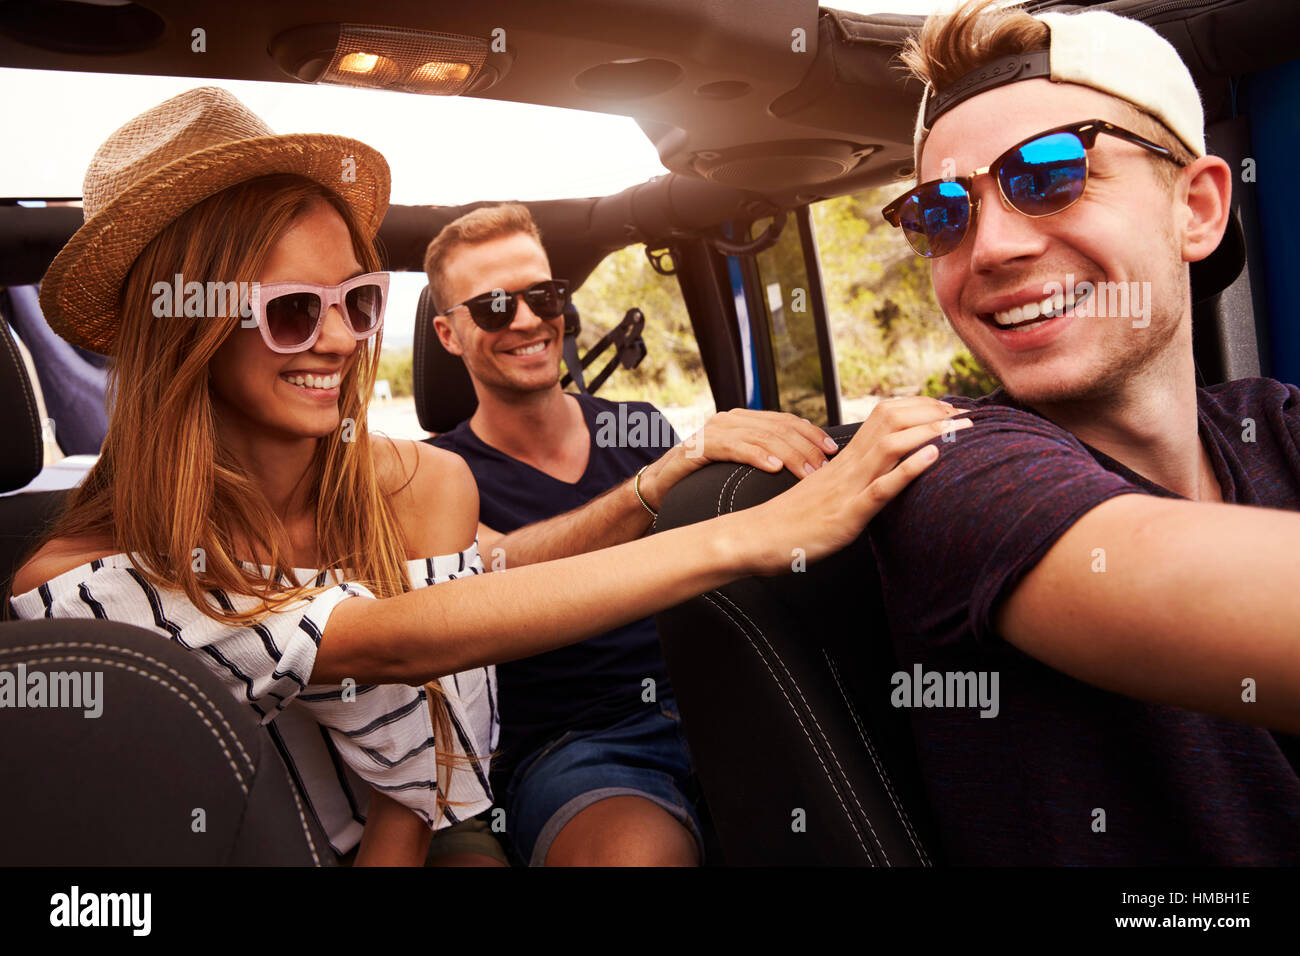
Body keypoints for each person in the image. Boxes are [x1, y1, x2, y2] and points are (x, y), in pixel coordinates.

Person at [6, 87, 968, 866]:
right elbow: (387, 641)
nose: (340, 340)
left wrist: (681, 471)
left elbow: (471, 634)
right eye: (291, 310)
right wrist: (757, 534)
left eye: (356, 299)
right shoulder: (73, 587)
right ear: (187, 329)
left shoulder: (417, 487)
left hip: (434, 823)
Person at [869, 1, 1300, 864]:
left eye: (1051, 173)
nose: (988, 249)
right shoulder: (951, 472)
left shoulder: (1275, 426)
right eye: (941, 214)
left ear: (1199, 208)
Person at [424, 204, 843, 865]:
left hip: (724, 695)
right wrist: (652, 485)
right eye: (496, 306)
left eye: (545, 295)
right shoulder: (436, 477)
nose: (530, 319)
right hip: (579, 745)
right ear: (449, 334)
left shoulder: (639, 425)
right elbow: (493, 567)